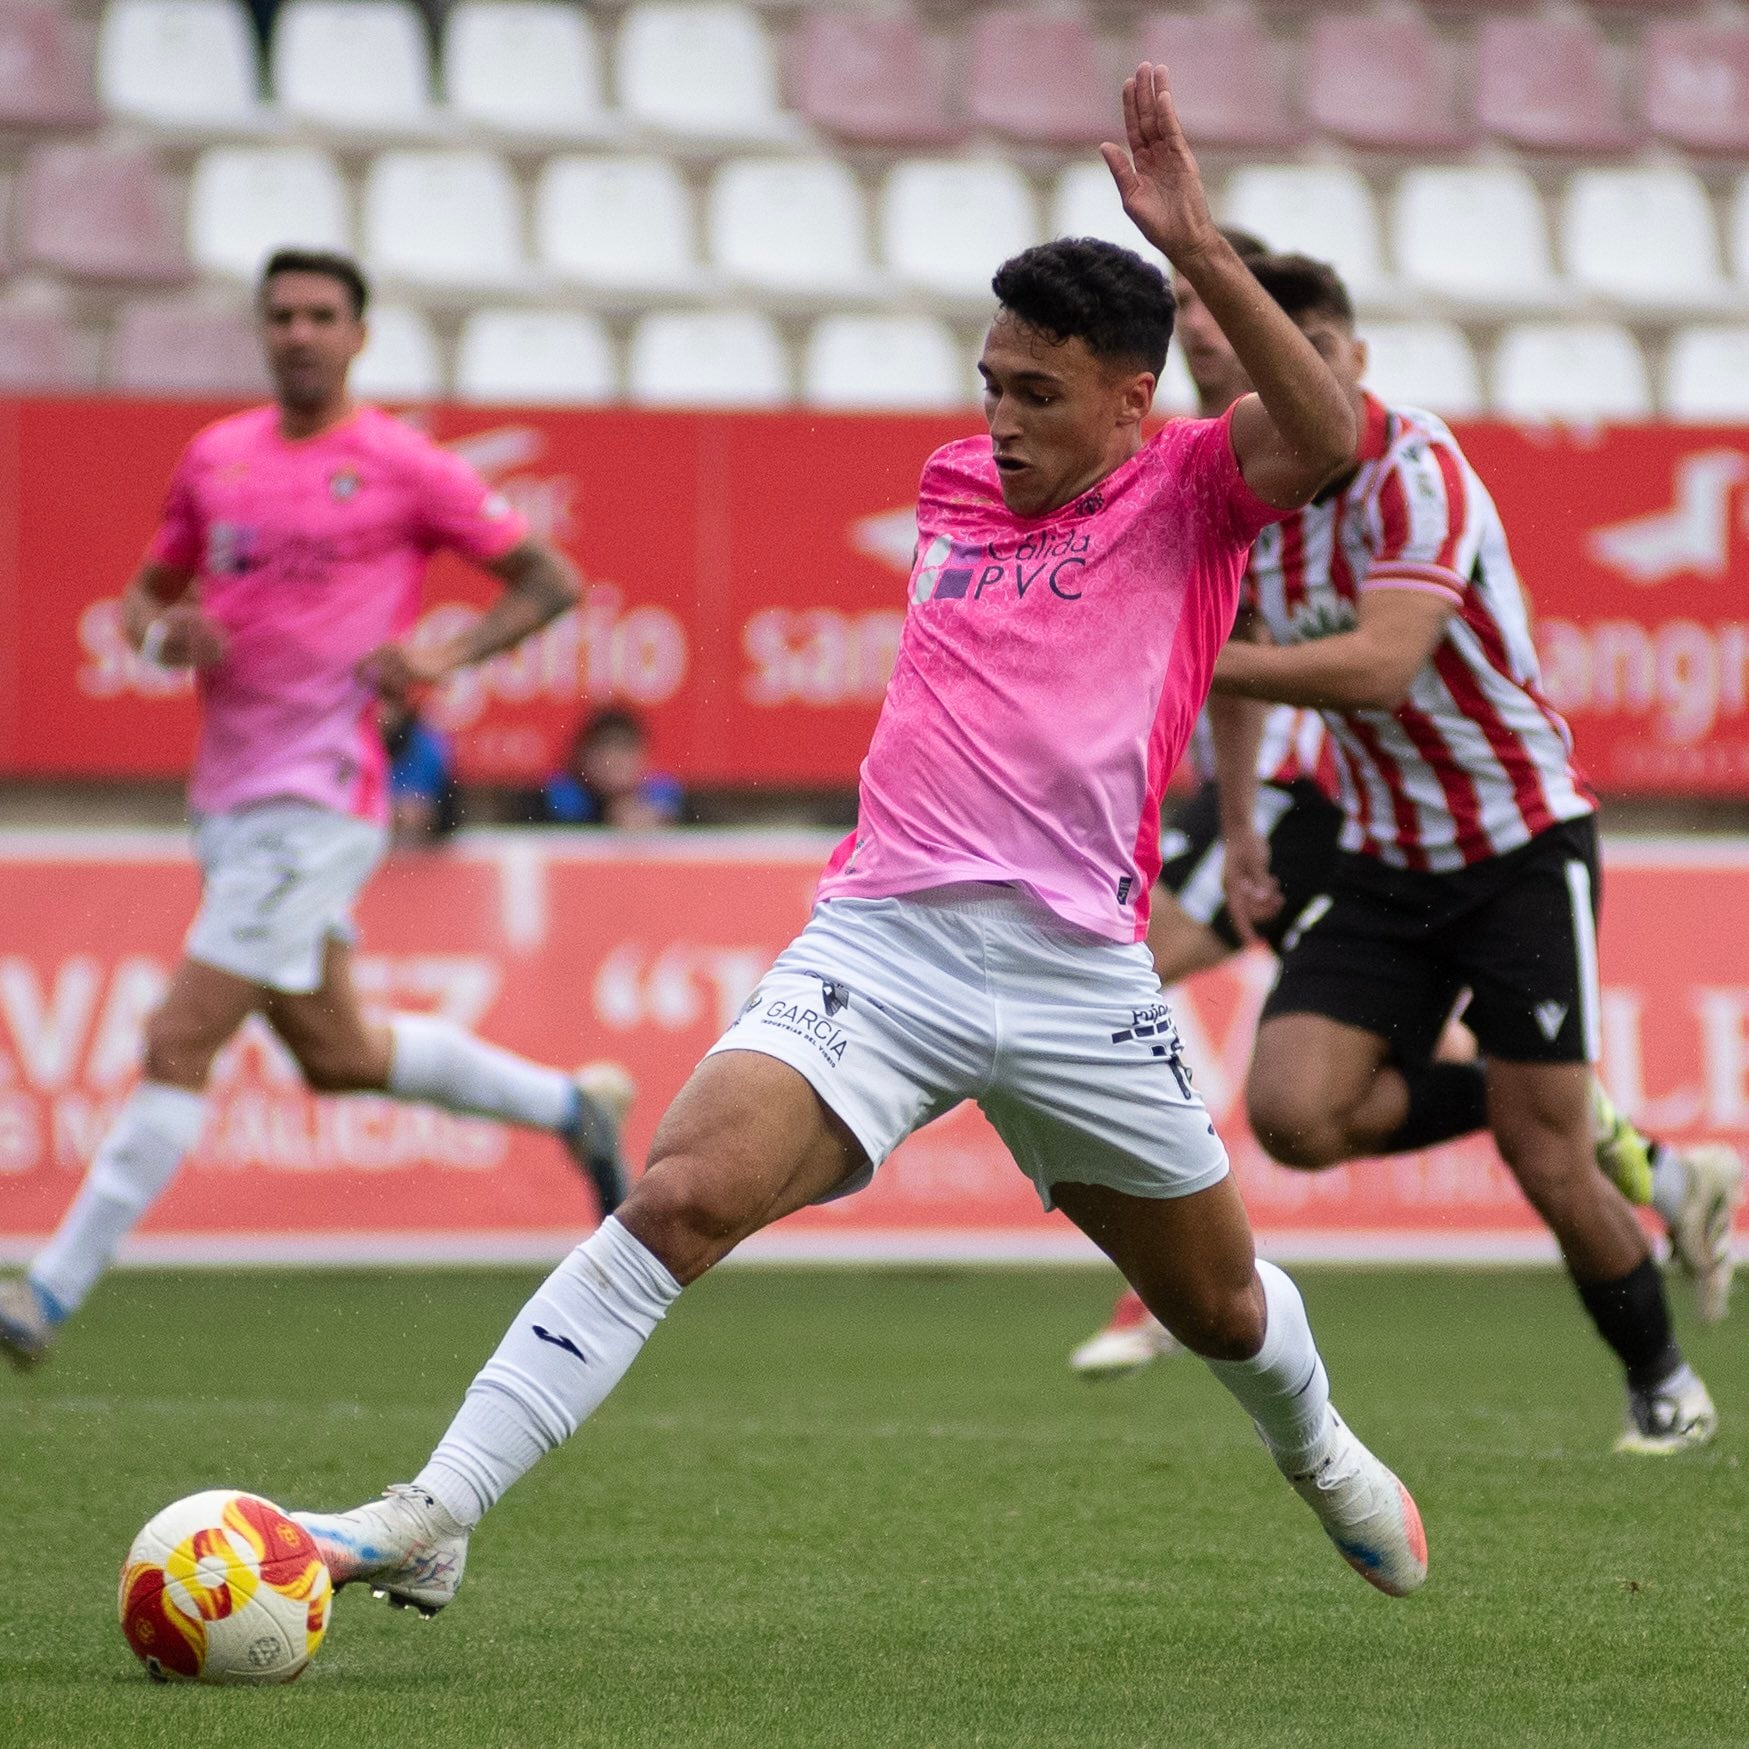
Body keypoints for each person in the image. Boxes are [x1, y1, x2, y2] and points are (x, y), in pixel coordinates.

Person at [292, 66, 1430, 1619]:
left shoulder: (1193, 495)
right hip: (885, 934)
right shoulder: (958, 483)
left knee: (1220, 1304)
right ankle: (438, 1509)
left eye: (1040, 393)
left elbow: (1333, 431)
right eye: (989, 382)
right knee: (679, 1197)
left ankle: (1324, 1457)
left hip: (1079, 971)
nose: (1001, 420)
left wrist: (1203, 250)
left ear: (1130, 400)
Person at [1071, 252, 1739, 1378]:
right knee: (1291, 1102)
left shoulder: (1413, 465)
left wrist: (1191, 667)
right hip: (1366, 835)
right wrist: (1234, 824)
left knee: (1129, 977)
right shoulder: (1240, 485)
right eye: (1195, 329)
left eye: (1212, 319)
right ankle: (1635, 1156)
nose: (1209, 342)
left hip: (1509, 835)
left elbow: (1364, 667)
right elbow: (1240, 662)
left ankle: (1659, 1362)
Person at [0, 249, 635, 1371]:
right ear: (262, 330)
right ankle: (571, 1107)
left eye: (320, 315)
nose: (299, 332)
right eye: (281, 315)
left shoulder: (400, 463)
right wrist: (164, 634)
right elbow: (145, 603)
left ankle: (44, 1296)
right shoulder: (217, 459)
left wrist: (449, 645)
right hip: (232, 802)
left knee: (178, 1033)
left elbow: (550, 581)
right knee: (338, 1052)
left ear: (358, 333)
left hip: (327, 799)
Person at [523, 706, 683, 830]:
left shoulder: (662, 791)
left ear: (643, 757)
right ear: (583, 756)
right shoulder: (561, 792)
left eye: (624, 749)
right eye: (603, 748)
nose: (613, 760)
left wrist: (657, 819)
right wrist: (608, 816)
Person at [383, 695, 460, 843]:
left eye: (389, 704)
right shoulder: (357, 739)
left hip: (422, 841)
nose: (383, 712)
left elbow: (419, 811)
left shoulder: (426, 744)